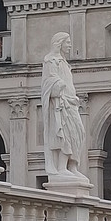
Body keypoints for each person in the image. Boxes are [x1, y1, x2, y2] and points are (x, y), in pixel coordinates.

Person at [41, 32, 88, 179]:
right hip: (61, 103)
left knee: (78, 132)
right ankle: (62, 167)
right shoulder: (51, 60)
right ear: (59, 43)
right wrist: (58, 85)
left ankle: (72, 165)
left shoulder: (64, 62)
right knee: (65, 134)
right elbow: (48, 81)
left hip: (71, 102)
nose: (69, 45)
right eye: (67, 42)